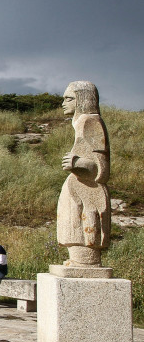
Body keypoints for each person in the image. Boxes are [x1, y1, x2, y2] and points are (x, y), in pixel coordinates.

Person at [57, 81, 110, 267]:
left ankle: (86, 262)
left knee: (83, 228)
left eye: (69, 99)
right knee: (74, 228)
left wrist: (78, 163)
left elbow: (102, 169)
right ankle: (79, 260)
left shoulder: (90, 122)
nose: (63, 103)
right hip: (79, 188)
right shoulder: (80, 123)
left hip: (87, 191)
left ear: (82, 100)